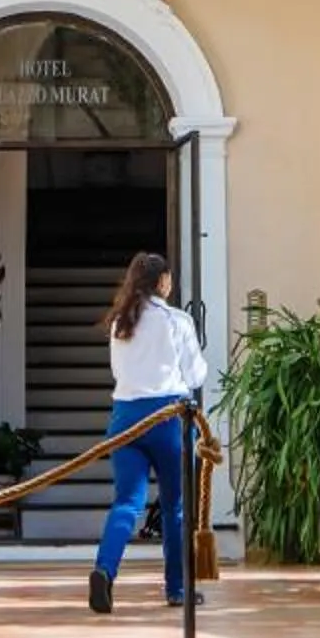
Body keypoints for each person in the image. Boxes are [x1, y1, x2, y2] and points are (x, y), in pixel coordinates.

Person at [89, 251, 206, 615]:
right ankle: (177, 588)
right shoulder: (177, 320)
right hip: (168, 416)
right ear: (162, 282)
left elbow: (118, 372)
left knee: (127, 501)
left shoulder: (120, 322)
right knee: (174, 506)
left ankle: (104, 570)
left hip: (125, 417)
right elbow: (196, 375)